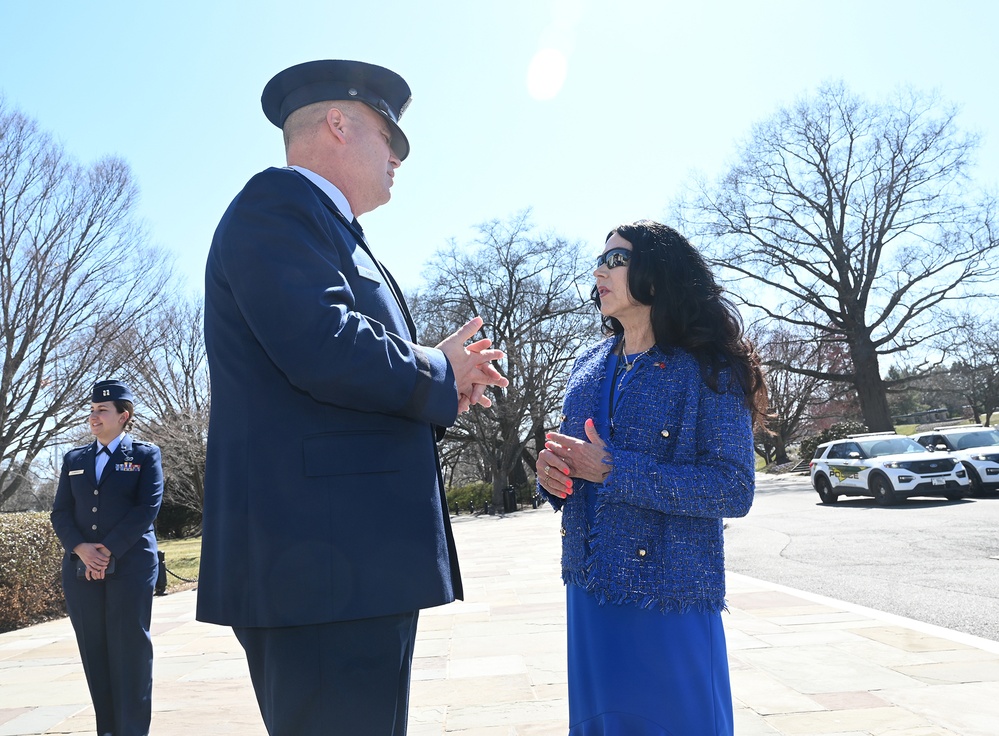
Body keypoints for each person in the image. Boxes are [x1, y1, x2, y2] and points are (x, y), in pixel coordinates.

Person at [196, 59, 507, 736]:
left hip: (346, 565)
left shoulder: (332, 232)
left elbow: (346, 378)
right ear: (337, 122)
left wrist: (448, 382)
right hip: (318, 566)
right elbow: (322, 345)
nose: (399, 155)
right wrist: (435, 367)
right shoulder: (276, 206)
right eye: (388, 136)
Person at [536, 221, 768, 735]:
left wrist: (614, 471)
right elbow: (576, 462)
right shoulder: (586, 364)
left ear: (658, 277)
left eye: (616, 260)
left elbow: (733, 488)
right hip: (589, 589)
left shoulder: (709, 367)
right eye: (599, 260)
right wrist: (551, 474)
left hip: (671, 594)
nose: (599, 270)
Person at [51, 379, 164, 736]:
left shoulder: (145, 456)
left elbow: (148, 507)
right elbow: (60, 513)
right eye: (92, 410)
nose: (93, 416)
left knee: (129, 650)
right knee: (95, 651)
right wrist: (81, 549)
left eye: (102, 410)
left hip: (131, 566)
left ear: (123, 415)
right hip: (81, 569)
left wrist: (107, 550)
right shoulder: (74, 459)